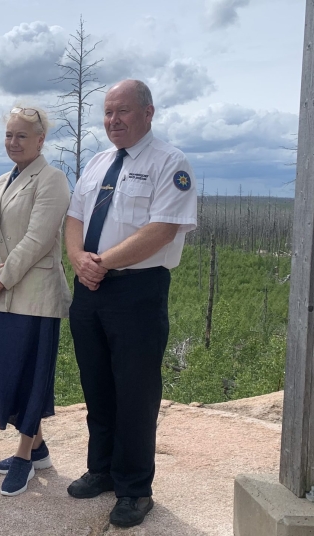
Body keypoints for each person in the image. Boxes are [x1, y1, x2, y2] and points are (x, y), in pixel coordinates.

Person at [65, 79, 197, 527]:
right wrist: (78, 259)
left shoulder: (170, 162)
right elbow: (75, 217)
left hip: (137, 292)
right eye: (107, 112)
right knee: (97, 387)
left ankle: (136, 489)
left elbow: (162, 229)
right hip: (90, 288)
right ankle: (101, 470)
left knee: (135, 394)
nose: (113, 120)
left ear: (148, 112)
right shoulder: (99, 162)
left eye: (122, 111)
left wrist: (100, 261)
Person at [0, 105, 71, 496]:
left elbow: (39, 239)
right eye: (9, 135)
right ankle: (40, 447)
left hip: (35, 297)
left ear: (40, 140)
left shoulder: (53, 180)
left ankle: (24, 456)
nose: (13, 142)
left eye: (21, 136)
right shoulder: (0, 181)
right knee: (7, 373)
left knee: (31, 376)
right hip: (1, 295)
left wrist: (4, 277)